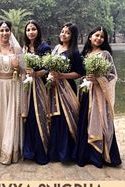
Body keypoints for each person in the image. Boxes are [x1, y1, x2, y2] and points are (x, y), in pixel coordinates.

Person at [73, 26, 122, 168]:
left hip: (99, 94)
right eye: (96, 35)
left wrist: (98, 79)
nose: (99, 38)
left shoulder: (105, 54)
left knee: (100, 121)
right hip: (85, 92)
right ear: (90, 37)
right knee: (84, 121)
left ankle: (98, 157)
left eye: (102, 37)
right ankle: (85, 155)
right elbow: (81, 72)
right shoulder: (86, 53)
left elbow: (113, 75)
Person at [0, 20, 24, 164]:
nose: (4, 33)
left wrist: (17, 66)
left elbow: (23, 73)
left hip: (13, 86)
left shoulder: (17, 50)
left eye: (7, 30)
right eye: (1, 30)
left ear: (10, 32)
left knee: (11, 116)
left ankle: (10, 152)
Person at [48, 23, 84, 163]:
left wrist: (62, 76)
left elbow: (80, 73)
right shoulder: (56, 48)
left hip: (67, 88)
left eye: (67, 33)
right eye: (62, 32)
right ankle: (54, 152)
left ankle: (66, 153)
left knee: (66, 119)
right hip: (54, 87)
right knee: (55, 119)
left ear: (72, 36)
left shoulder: (74, 52)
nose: (63, 34)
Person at [22, 20, 51, 165]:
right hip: (27, 87)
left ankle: (41, 152)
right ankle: (29, 151)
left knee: (39, 116)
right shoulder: (25, 48)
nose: (31, 32)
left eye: (33, 29)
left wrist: (37, 74)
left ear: (38, 30)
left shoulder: (44, 47)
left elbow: (48, 69)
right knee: (28, 117)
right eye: (28, 30)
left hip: (40, 87)